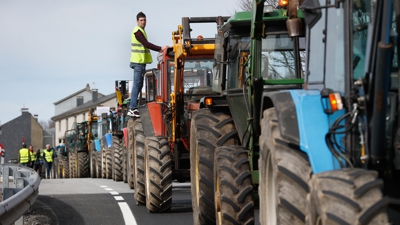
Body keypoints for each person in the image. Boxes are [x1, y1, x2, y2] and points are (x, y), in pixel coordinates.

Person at [127, 11, 169, 117]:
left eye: (144, 20)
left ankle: (133, 107)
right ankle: (132, 108)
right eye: (141, 20)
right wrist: (160, 48)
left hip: (140, 62)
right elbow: (145, 44)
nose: (143, 22)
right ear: (137, 21)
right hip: (138, 62)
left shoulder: (141, 31)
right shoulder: (137, 31)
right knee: (137, 84)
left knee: (139, 84)